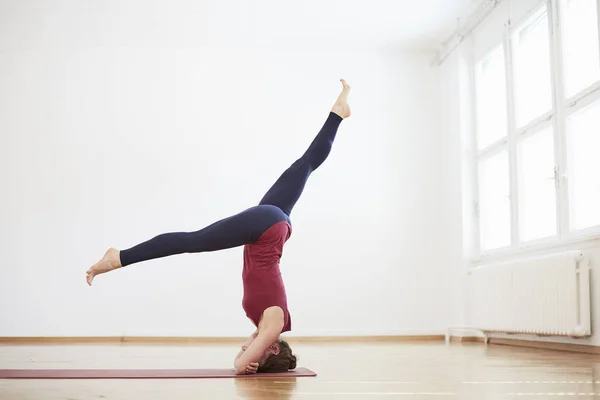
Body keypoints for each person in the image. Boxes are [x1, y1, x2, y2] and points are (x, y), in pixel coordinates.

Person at [85, 79, 351, 374]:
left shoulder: (264, 325)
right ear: (272, 348)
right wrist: (246, 363)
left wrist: (253, 357)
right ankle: (119, 257)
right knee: (192, 241)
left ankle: (336, 115)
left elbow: (249, 351)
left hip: (271, 227)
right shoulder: (274, 325)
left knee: (305, 166)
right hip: (266, 229)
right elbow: (239, 366)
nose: (246, 349)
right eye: (260, 354)